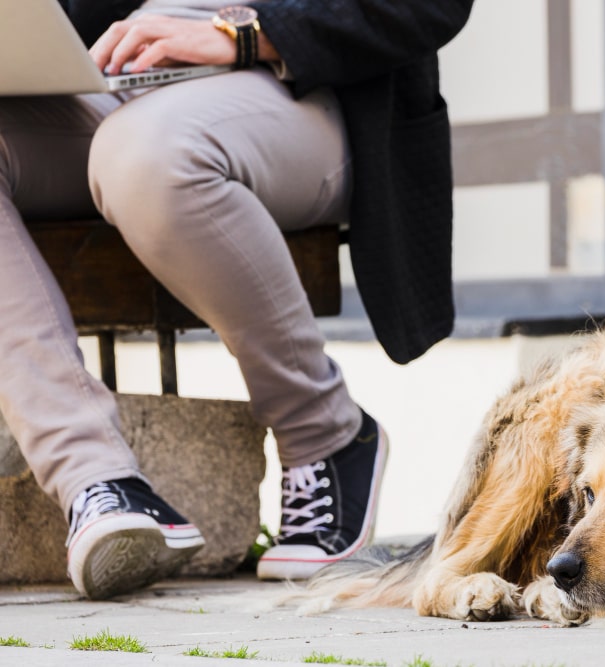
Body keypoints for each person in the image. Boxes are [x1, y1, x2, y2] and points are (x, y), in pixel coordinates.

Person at [0, 0, 474, 600]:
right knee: (135, 139)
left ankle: (324, 433)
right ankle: (98, 481)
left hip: (302, 87)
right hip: (118, 78)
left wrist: (247, 34)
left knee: (147, 155)